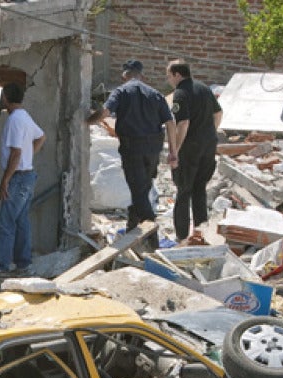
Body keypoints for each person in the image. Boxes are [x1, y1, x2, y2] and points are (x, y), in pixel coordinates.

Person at [87, 59, 177, 249]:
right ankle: (131, 227)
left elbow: (104, 113)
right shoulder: (155, 94)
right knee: (143, 187)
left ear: (124, 75)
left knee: (138, 191)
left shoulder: (121, 92)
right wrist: (174, 151)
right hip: (154, 147)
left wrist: (86, 121)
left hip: (133, 147)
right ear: (141, 75)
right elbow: (170, 122)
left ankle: (152, 237)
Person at [166, 60, 220, 242]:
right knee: (200, 190)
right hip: (208, 146)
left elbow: (183, 122)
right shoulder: (204, 88)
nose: (168, 80)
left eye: (169, 76)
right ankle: (201, 233)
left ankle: (181, 236)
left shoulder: (180, 93)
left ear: (177, 74)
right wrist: (208, 132)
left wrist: (175, 150)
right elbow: (218, 114)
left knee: (183, 191)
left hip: (190, 149)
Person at [0, 82, 45, 275]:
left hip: (18, 177)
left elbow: (15, 153)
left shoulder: (15, 119)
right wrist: (28, 156)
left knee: (6, 222)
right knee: (21, 220)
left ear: (6, 97)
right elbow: (41, 137)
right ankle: (23, 263)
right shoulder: (24, 116)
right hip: (27, 176)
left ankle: (2, 267)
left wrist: (5, 179)